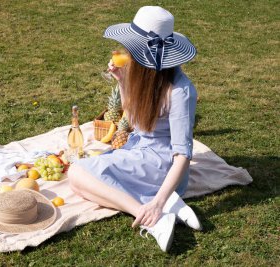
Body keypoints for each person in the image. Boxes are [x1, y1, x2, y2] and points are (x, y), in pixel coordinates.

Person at [68, 6, 202, 252]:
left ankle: (152, 214)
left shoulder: (181, 91)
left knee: (77, 174)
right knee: (76, 181)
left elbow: (183, 153)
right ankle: (162, 208)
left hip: (163, 165)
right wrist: (121, 81)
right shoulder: (144, 76)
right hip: (140, 151)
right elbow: (132, 119)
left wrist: (157, 203)